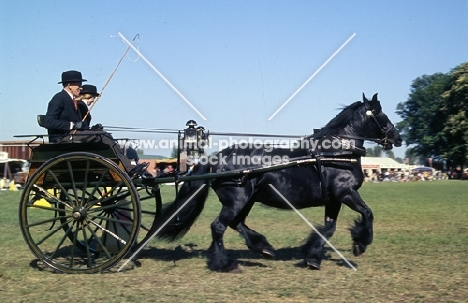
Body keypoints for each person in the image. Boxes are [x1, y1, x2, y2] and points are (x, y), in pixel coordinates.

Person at [42, 70, 149, 178]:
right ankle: (128, 168)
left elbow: (78, 124)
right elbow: (48, 121)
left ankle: (124, 166)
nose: (81, 87)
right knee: (103, 136)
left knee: (101, 133)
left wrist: (88, 128)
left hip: (72, 136)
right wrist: (73, 125)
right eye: (78, 84)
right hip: (63, 139)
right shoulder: (59, 98)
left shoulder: (72, 100)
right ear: (69, 85)